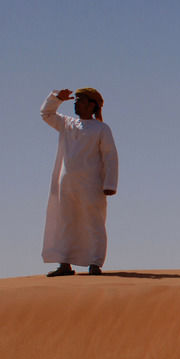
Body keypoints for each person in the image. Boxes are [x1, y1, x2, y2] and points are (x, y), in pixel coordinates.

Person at [40, 88, 119, 276]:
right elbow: (46, 114)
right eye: (75, 100)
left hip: (91, 184)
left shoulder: (101, 129)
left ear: (92, 105)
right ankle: (64, 264)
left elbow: (110, 156)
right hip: (66, 184)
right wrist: (56, 98)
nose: (76, 103)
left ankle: (95, 263)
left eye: (81, 100)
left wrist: (110, 183)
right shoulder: (67, 123)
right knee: (65, 222)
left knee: (93, 222)